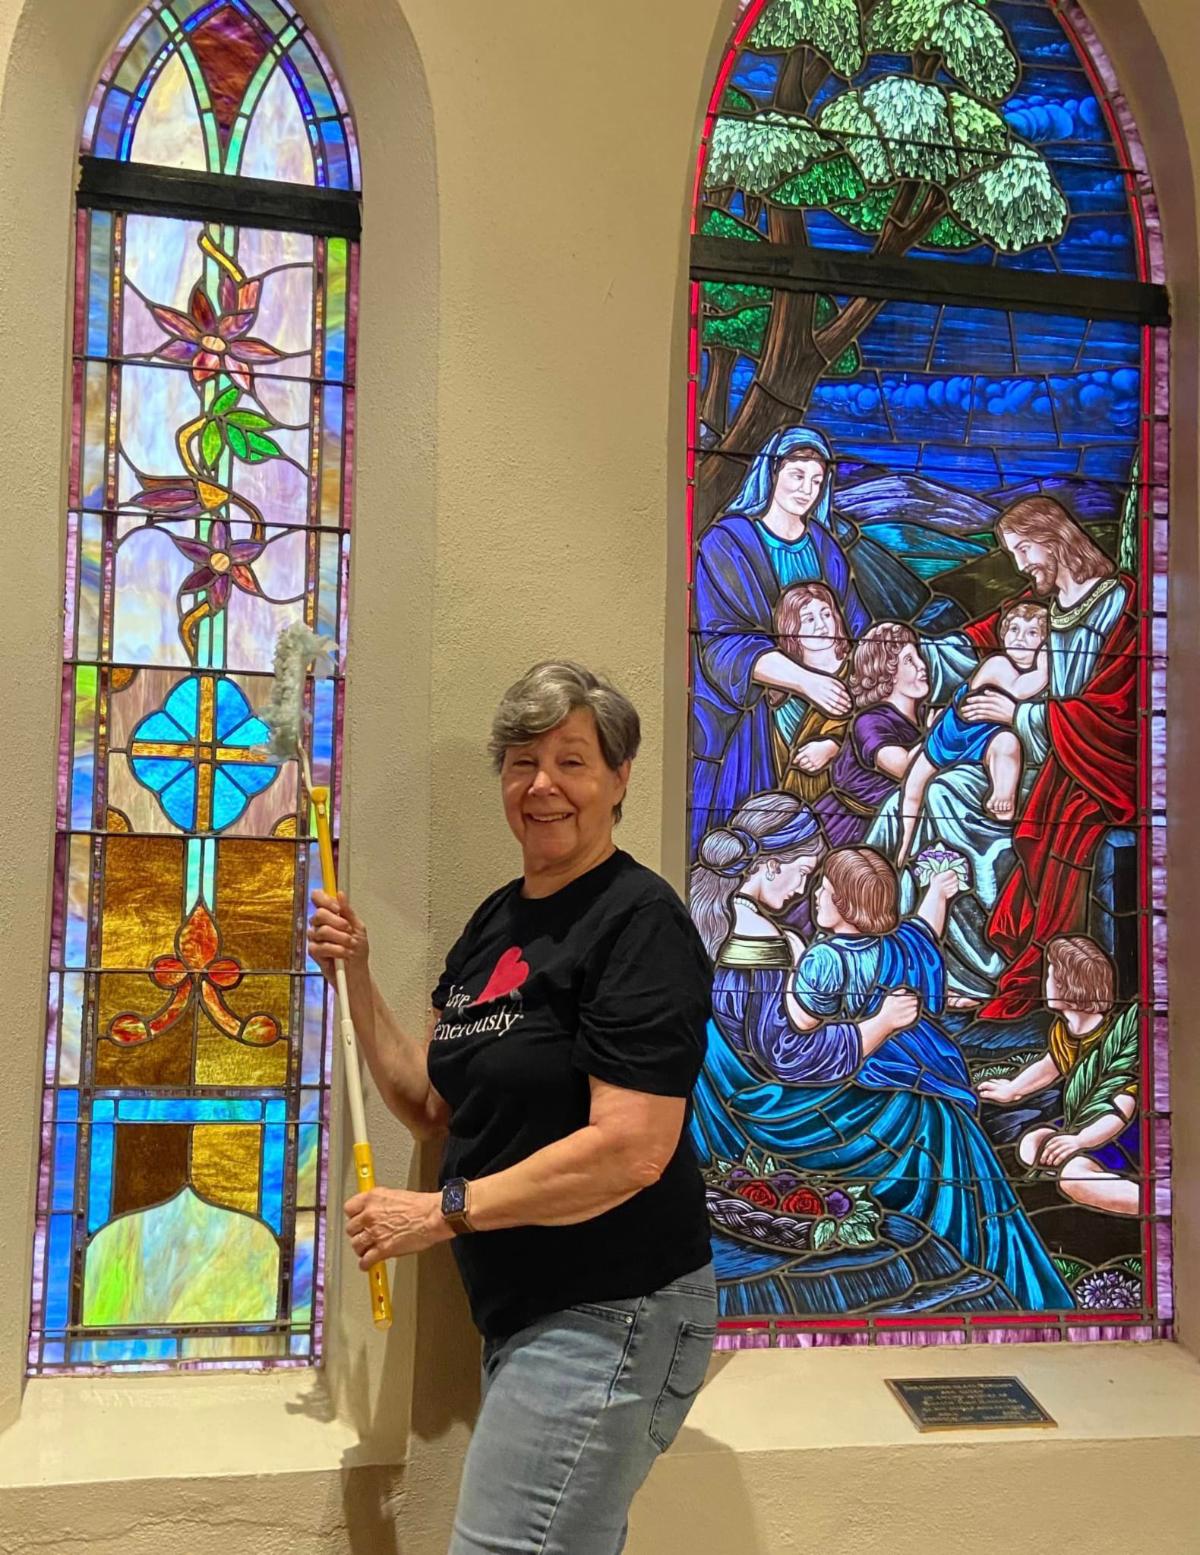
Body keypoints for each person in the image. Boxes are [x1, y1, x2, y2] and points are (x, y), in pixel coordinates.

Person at [308, 661, 716, 1555]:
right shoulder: (494, 923)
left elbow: (632, 1150)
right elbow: (431, 1105)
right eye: (522, 761)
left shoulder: (639, 922)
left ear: (619, 778)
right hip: (528, 1314)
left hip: (613, 1305)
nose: (542, 785)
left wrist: (440, 1211)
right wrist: (358, 975)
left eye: (572, 760)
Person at [688, 820, 1073, 1314]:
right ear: (768, 867)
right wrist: (880, 1022)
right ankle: (998, 1278)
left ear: (846, 905)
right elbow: (788, 1055)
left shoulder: (814, 954)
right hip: (841, 1092)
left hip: (855, 1078)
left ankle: (987, 1278)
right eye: (807, 874)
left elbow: (801, 1031)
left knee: (940, 1130)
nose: (809, 892)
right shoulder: (795, 944)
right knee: (941, 1134)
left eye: (820, 885)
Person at [959, 495, 1138, 1019]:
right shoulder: (1049, 602)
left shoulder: (1119, 603)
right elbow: (985, 636)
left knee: (1064, 830)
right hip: (1061, 757)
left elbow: (1115, 708)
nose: (1021, 565)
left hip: (1098, 766)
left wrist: (1021, 715)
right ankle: (991, 969)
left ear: (1054, 540)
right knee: (959, 797)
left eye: (1023, 550)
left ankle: (1064, 987)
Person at [690, 425, 869, 856]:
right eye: (797, 475)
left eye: (817, 481)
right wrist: (807, 682)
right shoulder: (728, 542)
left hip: (828, 714)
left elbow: (857, 632)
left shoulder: (825, 547)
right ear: (771, 473)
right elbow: (724, 646)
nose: (807, 489)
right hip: (754, 722)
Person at [978, 936, 1139, 1215]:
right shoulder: (1064, 1031)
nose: (1045, 981)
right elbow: (1049, 1066)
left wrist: (1081, 1141)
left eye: (1051, 973)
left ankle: (1156, 1200)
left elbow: (1121, 1110)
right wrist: (1013, 1090)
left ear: (1070, 985)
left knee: (1074, 1179)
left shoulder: (1114, 1042)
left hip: (1116, 1135)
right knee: (1031, 1143)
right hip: (1079, 1119)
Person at [894, 603, 1048, 870]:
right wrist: (1046, 665)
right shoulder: (999, 664)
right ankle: (902, 849)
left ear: (1043, 641)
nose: (1020, 638)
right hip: (952, 735)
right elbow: (1020, 689)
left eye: (1032, 633)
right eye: (1014, 629)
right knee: (912, 790)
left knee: (1007, 745)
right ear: (1003, 635)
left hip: (985, 737)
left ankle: (1003, 798)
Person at [813, 622, 927, 848]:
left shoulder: (923, 718)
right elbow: (906, 768)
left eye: (918, 657)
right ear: (887, 671)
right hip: (844, 830)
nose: (922, 666)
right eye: (909, 661)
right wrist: (940, 734)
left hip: (891, 825)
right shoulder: (870, 722)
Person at [769, 581, 852, 804]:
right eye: (809, 619)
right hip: (793, 804)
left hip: (845, 800)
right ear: (791, 629)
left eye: (826, 614)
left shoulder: (861, 670)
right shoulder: (781, 695)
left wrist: (833, 747)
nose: (821, 626)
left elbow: (881, 726)